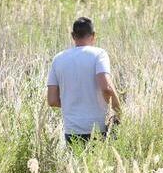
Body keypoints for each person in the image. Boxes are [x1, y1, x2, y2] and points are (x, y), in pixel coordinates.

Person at [46, 17, 122, 146]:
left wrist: (73, 104)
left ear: (73, 36)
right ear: (93, 36)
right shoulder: (99, 54)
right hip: (97, 129)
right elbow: (106, 87)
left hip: (72, 131)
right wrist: (118, 108)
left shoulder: (58, 59)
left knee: (77, 166)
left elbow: (52, 100)